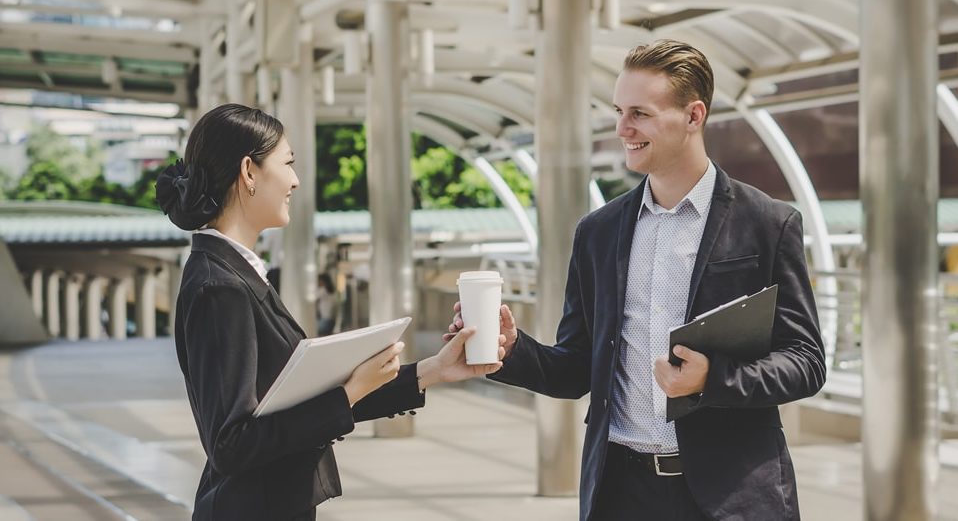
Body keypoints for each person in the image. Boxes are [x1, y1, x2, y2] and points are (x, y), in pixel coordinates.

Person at [445, 40, 825, 521]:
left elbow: (806, 361)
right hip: (621, 495)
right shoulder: (597, 233)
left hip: (733, 496)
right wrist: (510, 349)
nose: (623, 128)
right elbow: (577, 369)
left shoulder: (769, 223)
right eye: (620, 111)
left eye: (640, 114)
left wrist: (714, 379)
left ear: (693, 116)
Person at [156, 103, 501, 521]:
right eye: (288, 163)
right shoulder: (220, 287)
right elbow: (231, 445)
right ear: (249, 172)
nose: (296, 181)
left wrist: (435, 370)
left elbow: (296, 407)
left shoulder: (235, 273)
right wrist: (349, 392)